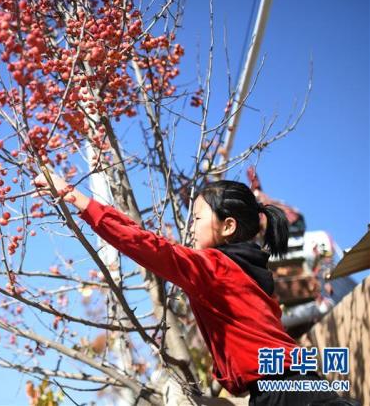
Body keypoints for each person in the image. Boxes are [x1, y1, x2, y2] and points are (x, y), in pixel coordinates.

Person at [31, 171, 358, 406]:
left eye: (198, 218)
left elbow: (150, 247)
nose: (190, 226)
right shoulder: (250, 277)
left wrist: (77, 198)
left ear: (227, 226)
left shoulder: (215, 268)